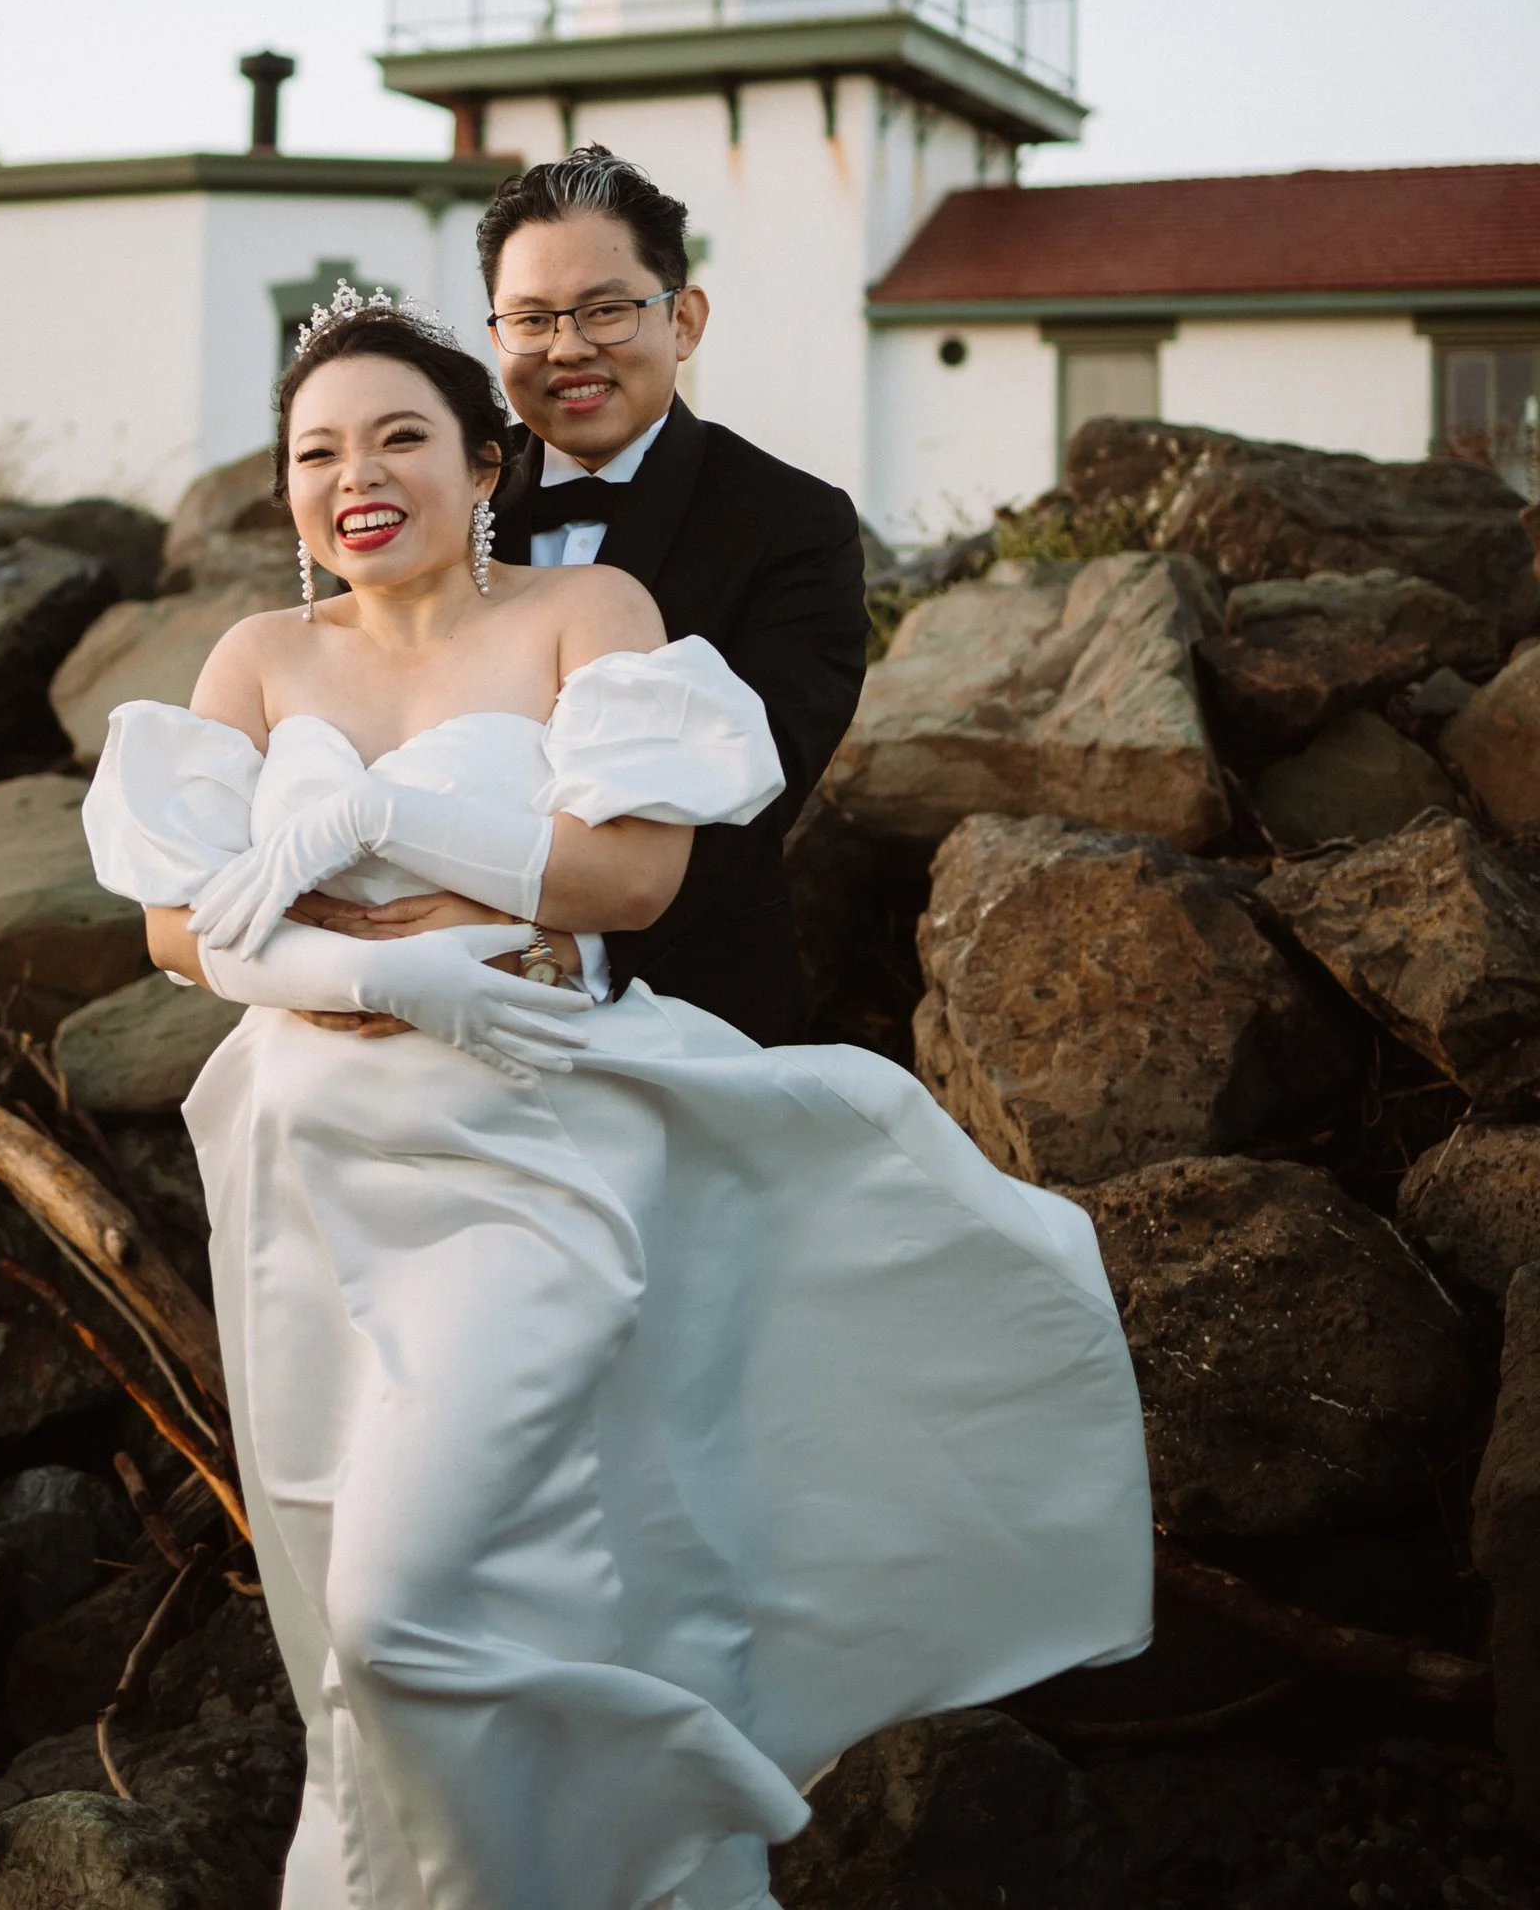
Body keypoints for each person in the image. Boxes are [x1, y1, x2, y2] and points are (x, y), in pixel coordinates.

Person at [83, 292, 1152, 1910]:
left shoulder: (587, 609)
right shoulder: (257, 657)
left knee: (400, 1607)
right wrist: (385, 974)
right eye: (316, 452)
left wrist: (370, 823)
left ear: (485, 462)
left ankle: (673, 1812)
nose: (355, 476)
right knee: (381, 1611)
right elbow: (178, 927)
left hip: (523, 1143)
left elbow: (635, 875)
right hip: (306, 1176)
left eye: (399, 437)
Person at [480, 145, 867, 1044]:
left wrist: (528, 944)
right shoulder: (441, 495)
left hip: (689, 1003)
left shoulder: (795, 525)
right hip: (422, 990)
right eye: (531, 319)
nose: (568, 348)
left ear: (684, 320)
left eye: (606, 311)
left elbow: (745, 801)